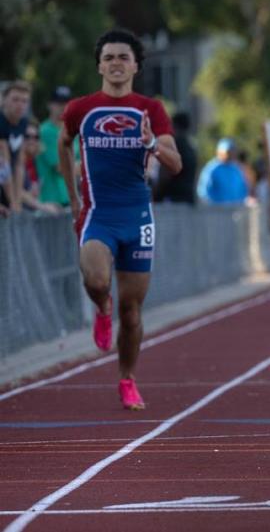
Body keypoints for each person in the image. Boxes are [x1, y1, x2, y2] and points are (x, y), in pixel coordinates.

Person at [58, 28, 183, 410]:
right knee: (95, 279)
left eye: (122, 57)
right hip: (99, 213)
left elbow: (175, 164)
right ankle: (100, 307)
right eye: (109, 57)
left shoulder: (151, 109)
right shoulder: (81, 108)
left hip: (137, 216)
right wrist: (74, 195)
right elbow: (63, 144)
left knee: (132, 312)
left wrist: (149, 144)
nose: (115, 63)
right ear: (99, 64)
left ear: (135, 66)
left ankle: (127, 378)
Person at [37, 86, 74, 207]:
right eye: (59, 103)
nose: (63, 107)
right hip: (50, 199)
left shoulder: (73, 130)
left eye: (67, 103)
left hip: (69, 197)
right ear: (49, 105)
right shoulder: (44, 131)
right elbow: (61, 168)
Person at [0, 80, 32, 213]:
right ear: (4, 100)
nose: (20, 105)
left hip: (7, 179)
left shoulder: (23, 123)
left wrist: (17, 201)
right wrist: (13, 203)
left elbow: (19, 164)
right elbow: (4, 164)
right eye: (15, 100)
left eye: (24, 101)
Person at [153, 111, 198, 204]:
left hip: (171, 200)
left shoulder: (173, 146)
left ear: (174, 126)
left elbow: (165, 176)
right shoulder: (191, 147)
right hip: (188, 200)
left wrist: (154, 195)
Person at [196, 137, 249, 205]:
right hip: (217, 211)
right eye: (228, 152)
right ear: (219, 152)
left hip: (236, 210)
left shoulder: (236, 169)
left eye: (232, 151)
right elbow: (203, 192)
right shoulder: (212, 169)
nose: (230, 154)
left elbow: (243, 189)